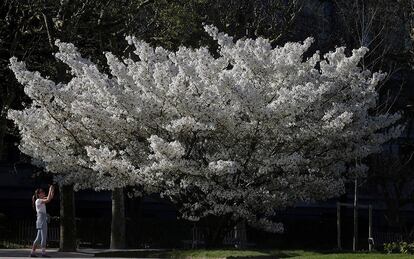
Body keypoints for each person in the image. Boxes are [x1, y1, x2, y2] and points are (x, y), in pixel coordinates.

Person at [30, 185, 55, 257]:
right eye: (42, 192)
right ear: (38, 194)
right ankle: (43, 253)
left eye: (44, 192)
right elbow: (48, 200)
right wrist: (50, 189)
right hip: (42, 219)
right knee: (44, 236)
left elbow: (50, 197)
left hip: (40, 219)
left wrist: (52, 190)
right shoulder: (38, 200)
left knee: (38, 238)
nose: (44, 193)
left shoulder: (40, 200)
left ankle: (32, 252)